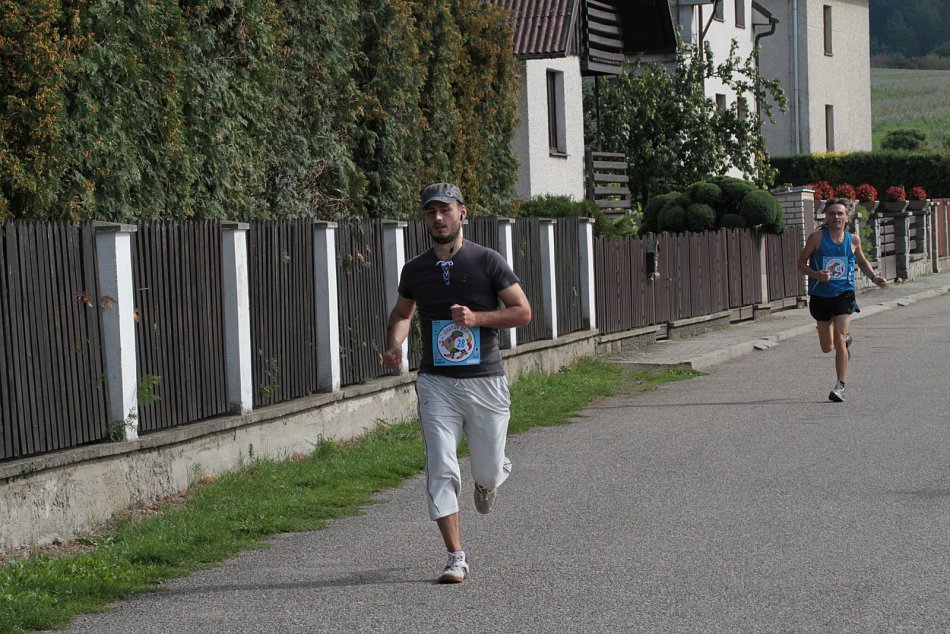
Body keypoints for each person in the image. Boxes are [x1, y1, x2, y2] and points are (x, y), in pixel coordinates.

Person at [381, 182, 532, 584]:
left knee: (487, 471)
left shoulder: (487, 261)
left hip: (485, 380)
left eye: (445, 210)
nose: (438, 218)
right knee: (441, 466)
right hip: (437, 383)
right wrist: (395, 344)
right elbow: (402, 313)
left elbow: (522, 312)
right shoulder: (415, 269)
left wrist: (477, 318)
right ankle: (456, 556)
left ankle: (489, 479)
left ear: (462, 213)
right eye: (430, 211)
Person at [797, 198, 886, 402]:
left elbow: (861, 261)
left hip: (844, 295)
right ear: (826, 217)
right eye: (832, 213)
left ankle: (840, 386)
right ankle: (844, 343)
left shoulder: (853, 240)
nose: (836, 217)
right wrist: (817, 275)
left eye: (840, 213)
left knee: (838, 338)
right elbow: (800, 264)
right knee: (827, 347)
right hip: (820, 296)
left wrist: (874, 277)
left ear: (847, 217)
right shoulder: (816, 238)